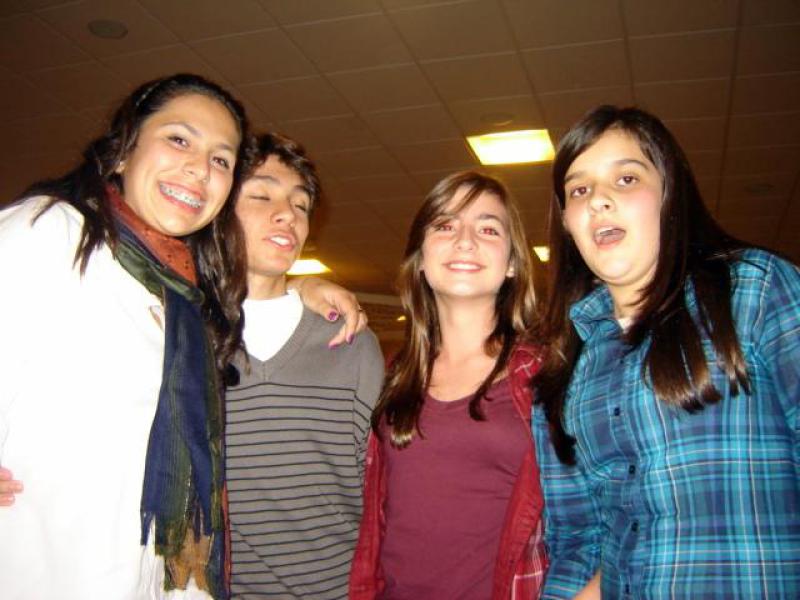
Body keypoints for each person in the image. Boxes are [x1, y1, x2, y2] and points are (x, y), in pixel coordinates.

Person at [0, 74, 364, 600]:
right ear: (124, 150)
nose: (199, 168)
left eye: (220, 159)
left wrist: (300, 286)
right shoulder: (52, 232)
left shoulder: (184, 297)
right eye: (179, 139)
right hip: (40, 571)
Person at [532, 105, 800, 598]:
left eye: (626, 179)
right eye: (579, 190)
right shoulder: (567, 368)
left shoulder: (754, 292)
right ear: (567, 222)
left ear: (669, 193)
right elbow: (582, 538)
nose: (598, 201)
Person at [350, 171, 548, 599]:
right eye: (445, 225)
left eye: (488, 229)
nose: (465, 240)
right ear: (420, 258)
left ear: (513, 264)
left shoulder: (547, 375)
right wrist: (303, 288)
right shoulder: (394, 374)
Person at [224, 132, 384, 598]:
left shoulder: (350, 342)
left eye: (300, 205)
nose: (288, 215)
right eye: (261, 195)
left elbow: (381, 491)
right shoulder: (183, 338)